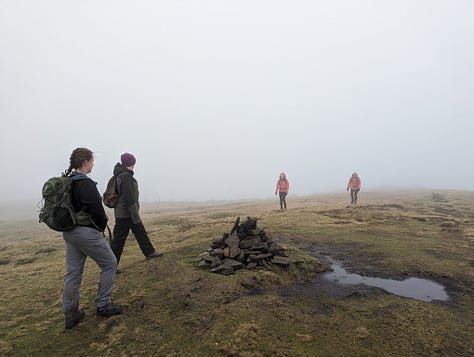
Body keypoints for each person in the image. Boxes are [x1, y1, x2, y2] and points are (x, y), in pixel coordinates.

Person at [62, 148, 121, 330]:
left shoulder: (67, 181)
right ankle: (103, 305)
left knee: (73, 272)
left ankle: (71, 314)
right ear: (85, 161)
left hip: (69, 232)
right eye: (92, 160)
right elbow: (96, 209)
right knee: (110, 263)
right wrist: (102, 225)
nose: (93, 164)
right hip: (86, 232)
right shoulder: (84, 183)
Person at [110, 152, 163, 271]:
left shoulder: (122, 175)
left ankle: (150, 252)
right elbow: (129, 198)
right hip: (126, 214)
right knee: (119, 240)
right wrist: (135, 214)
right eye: (133, 163)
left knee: (140, 233)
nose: (134, 165)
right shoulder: (125, 176)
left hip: (126, 212)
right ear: (130, 163)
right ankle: (110, 266)